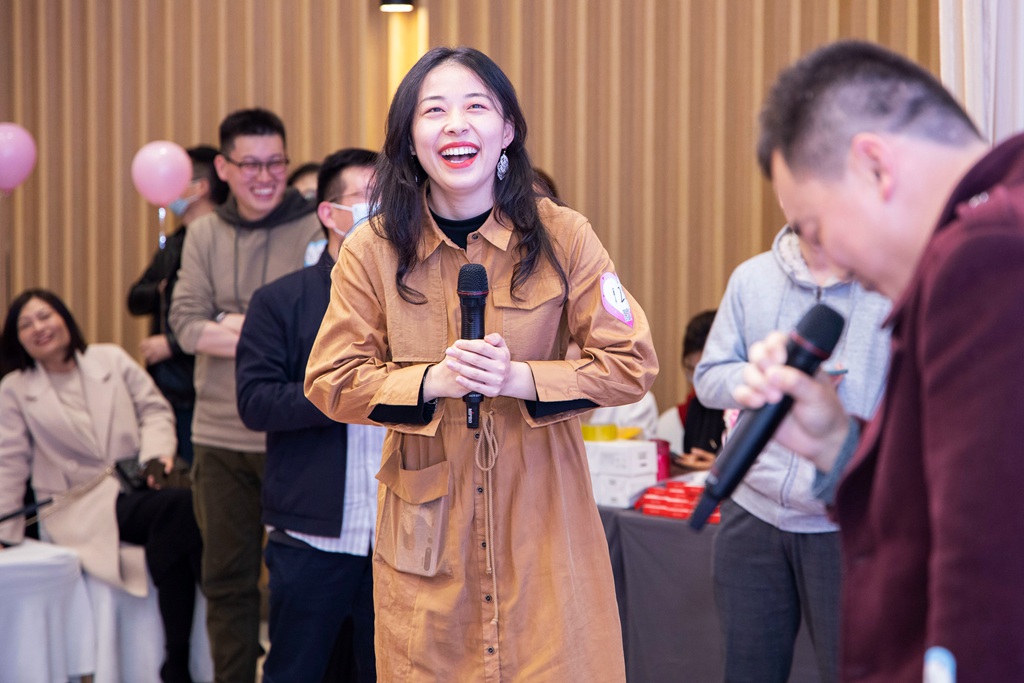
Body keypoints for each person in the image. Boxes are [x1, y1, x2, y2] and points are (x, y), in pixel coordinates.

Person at [304, 47, 657, 682]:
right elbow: (330, 379)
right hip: (428, 537)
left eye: (476, 107)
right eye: (433, 111)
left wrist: (519, 377)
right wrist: (430, 381)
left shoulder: (565, 235)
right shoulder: (370, 250)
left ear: (507, 130)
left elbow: (631, 362)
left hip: (544, 522)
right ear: (409, 139)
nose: (456, 125)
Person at [734, 40, 1024, 681]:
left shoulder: (987, 256)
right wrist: (834, 440)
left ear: (875, 166)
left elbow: (986, 562)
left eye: (815, 232)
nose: (833, 267)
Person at [694, 223, 891, 682]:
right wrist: (760, 381)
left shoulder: (885, 284)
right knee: (746, 670)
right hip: (752, 510)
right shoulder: (752, 278)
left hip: (843, 518)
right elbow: (708, 378)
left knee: (852, 669)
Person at [168, 107, 322, 683]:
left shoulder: (315, 229)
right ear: (223, 168)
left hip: (297, 432)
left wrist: (232, 323)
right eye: (251, 164)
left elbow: (321, 331)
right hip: (218, 436)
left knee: (299, 584)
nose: (265, 176)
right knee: (227, 581)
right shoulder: (203, 232)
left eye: (275, 162)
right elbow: (186, 325)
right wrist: (270, 333)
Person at [0, 289, 203, 683]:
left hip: (136, 486)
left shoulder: (109, 358)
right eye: (25, 324)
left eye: (45, 316)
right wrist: (4, 533)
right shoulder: (15, 389)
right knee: (180, 509)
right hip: (78, 507)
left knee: (179, 520)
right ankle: (179, 657)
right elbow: (10, 460)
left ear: (64, 317)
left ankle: (177, 661)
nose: (39, 327)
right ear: (17, 339)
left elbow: (154, 410)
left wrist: (155, 456)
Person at [235, 148, 382, 683]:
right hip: (310, 534)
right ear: (329, 213)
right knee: (296, 671)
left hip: (398, 535)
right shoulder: (280, 301)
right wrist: (344, 396)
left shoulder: (414, 298)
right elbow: (256, 402)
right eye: (367, 198)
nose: (381, 210)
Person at [127, 144, 229, 465]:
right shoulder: (174, 242)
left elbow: (223, 313)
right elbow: (135, 298)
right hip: (167, 382)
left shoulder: (224, 239)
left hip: (205, 379)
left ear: (200, 187)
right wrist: (161, 289)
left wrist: (172, 344)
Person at [656, 309, 724, 468]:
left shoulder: (748, 412)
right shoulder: (692, 409)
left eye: (705, 371)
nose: (698, 382)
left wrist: (718, 468)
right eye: (691, 371)